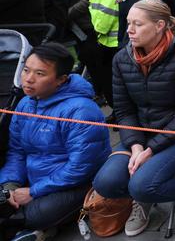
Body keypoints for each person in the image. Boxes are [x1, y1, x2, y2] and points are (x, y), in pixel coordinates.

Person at [92, 0, 175, 237]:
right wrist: (137, 147)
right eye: (128, 23)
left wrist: (150, 151)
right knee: (104, 182)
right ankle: (142, 198)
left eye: (137, 24)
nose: (129, 30)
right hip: (142, 135)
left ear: (159, 26)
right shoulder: (122, 59)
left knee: (143, 184)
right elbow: (124, 111)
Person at [0, 43, 110, 240]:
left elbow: (80, 168)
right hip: (36, 179)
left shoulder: (81, 111)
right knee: (4, 199)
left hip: (76, 184)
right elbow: (16, 151)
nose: (29, 79)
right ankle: (30, 229)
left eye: (40, 74)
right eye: (26, 70)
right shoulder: (25, 103)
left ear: (61, 79)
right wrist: (11, 185)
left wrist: (34, 192)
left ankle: (33, 227)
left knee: (38, 213)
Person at [61, 0, 106, 102]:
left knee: (95, 62)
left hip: (88, 25)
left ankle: (101, 93)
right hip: (78, 25)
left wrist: (65, 15)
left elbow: (88, 1)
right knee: (87, 59)